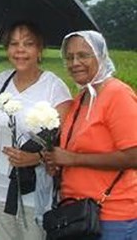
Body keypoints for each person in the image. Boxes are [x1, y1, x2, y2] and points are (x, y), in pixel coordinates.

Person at [0, 22, 72, 240]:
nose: (20, 50)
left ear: (40, 50)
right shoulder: (2, 81)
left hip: (36, 188)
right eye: (14, 44)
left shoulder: (54, 87)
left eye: (28, 44)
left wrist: (35, 157)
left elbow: (65, 140)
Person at [45, 30, 137, 239]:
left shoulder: (117, 94)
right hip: (78, 212)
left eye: (83, 55)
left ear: (101, 56)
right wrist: (59, 162)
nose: (75, 62)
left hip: (112, 215)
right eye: (69, 57)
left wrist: (74, 159)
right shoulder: (82, 98)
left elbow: (134, 155)